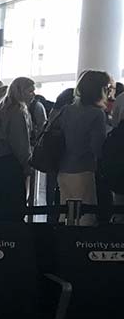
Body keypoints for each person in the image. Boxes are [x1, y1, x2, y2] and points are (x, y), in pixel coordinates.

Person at [57, 70, 111, 225]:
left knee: (65, 214)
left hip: (63, 168)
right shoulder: (97, 114)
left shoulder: (67, 110)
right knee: (86, 216)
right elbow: (97, 147)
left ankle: (63, 246)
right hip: (84, 169)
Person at [0, 76, 35, 221]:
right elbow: (20, 142)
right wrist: (27, 164)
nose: (33, 94)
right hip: (11, 165)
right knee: (13, 210)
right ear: (21, 91)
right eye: (30, 91)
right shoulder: (18, 111)